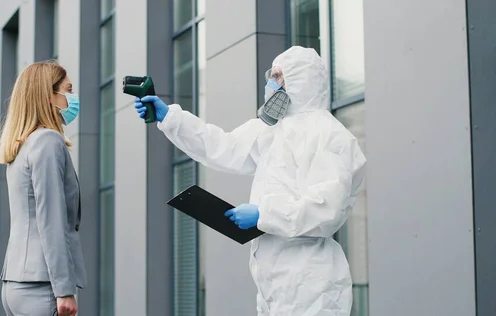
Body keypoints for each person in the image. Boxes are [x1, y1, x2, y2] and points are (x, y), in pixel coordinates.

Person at [134, 46, 366, 315]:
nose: (270, 83)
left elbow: (327, 208)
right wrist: (170, 117)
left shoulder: (328, 135)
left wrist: (262, 214)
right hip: (272, 284)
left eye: (277, 76)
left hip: (311, 284)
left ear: (300, 80)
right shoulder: (273, 131)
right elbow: (221, 146)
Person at [0, 60, 86, 316]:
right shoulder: (48, 141)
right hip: (42, 287)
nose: (72, 97)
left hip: (17, 283)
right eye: (68, 90)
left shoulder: (23, 145)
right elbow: (51, 219)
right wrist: (64, 289)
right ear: (49, 95)